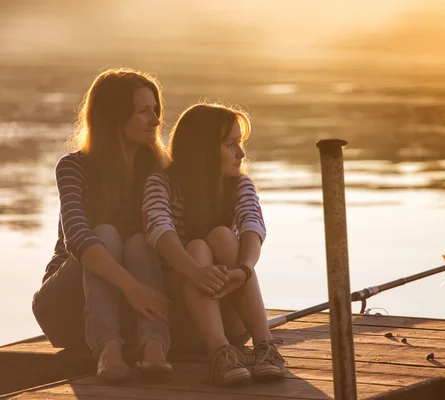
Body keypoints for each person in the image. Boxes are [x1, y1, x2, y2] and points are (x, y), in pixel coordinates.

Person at [32, 68, 173, 381]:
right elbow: (78, 240)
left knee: (140, 241)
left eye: (155, 110)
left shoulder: (160, 172)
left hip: (132, 309)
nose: (155, 120)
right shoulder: (73, 167)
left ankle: (153, 344)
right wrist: (132, 287)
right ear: (114, 117)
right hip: (66, 307)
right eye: (143, 111)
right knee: (104, 234)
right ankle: (108, 348)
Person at [142, 102, 286, 386]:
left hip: (232, 313)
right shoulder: (161, 184)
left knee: (222, 235)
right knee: (196, 248)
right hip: (183, 320)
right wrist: (194, 271)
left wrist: (243, 270)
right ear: (203, 149)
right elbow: (157, 228)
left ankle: (264, 345)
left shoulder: (239, 185)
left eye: (240, 143)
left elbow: (253, 226)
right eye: (231, 144)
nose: (241, 153)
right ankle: (219, 352)